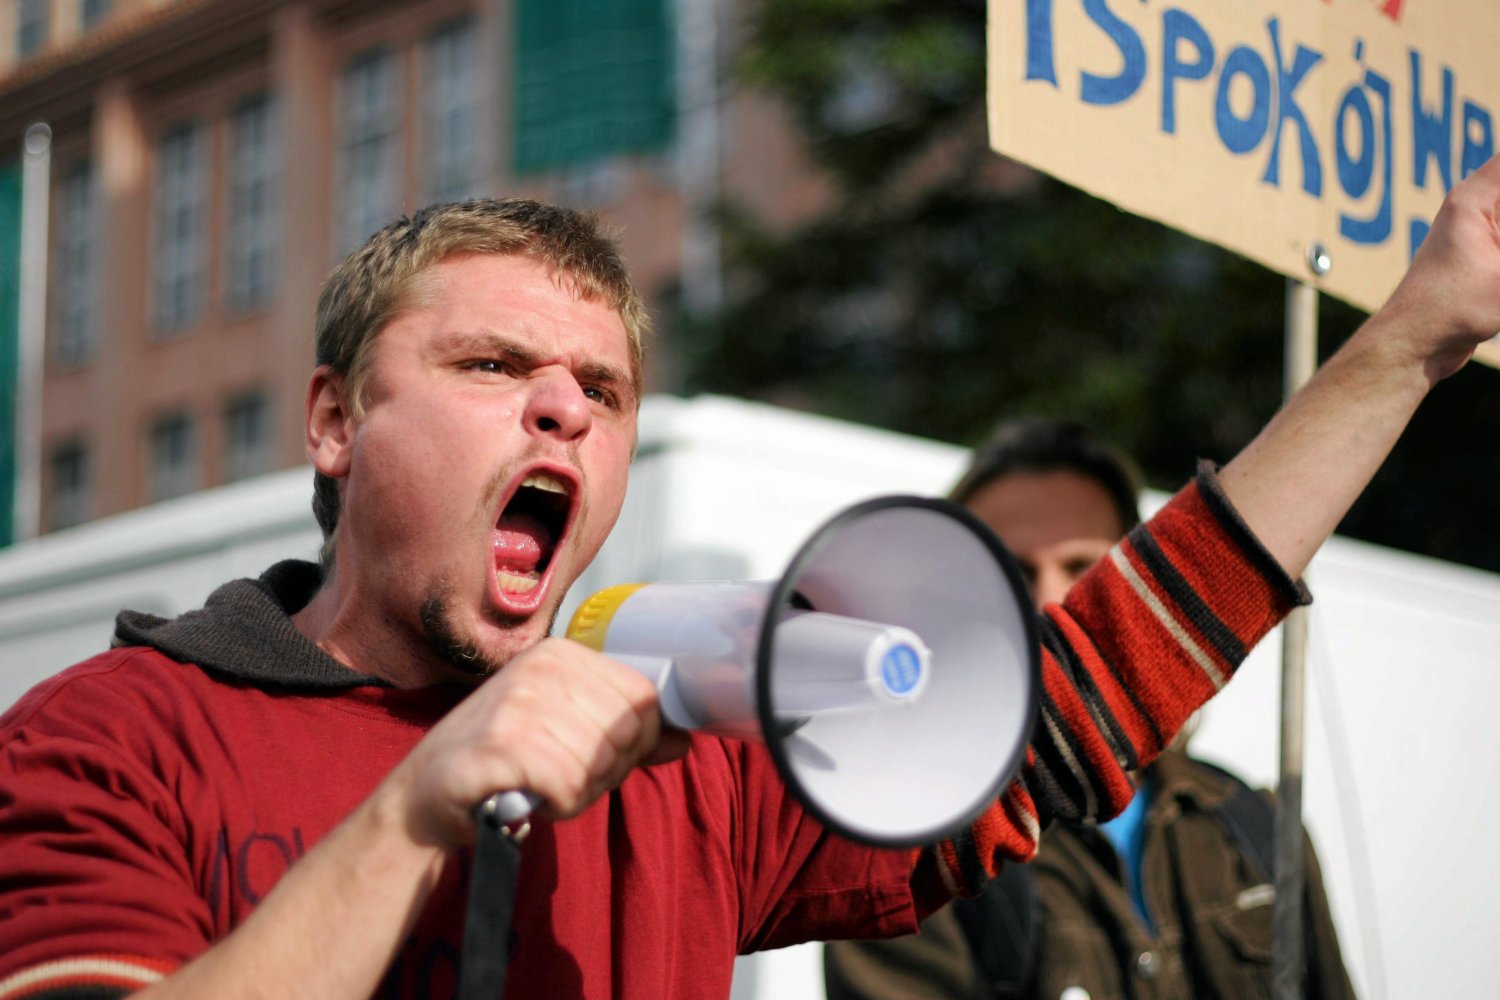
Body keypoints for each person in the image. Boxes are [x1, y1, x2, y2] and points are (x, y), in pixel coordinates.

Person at [0, 151, 1496, 999]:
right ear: (334, 421)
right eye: (492, 363)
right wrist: (411, 811)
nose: (563, 407)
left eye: (601, 384)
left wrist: (1415, 336)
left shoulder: (681, 774)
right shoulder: (108, 737)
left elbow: (1077, 695)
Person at [824, 417, 1355, 999]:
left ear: (1143, 585)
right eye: (1008, 571)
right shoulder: (906, 859)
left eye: (1085, 570)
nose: (1050, 603)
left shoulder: (1257, 826)